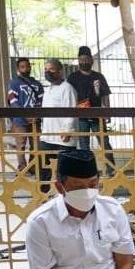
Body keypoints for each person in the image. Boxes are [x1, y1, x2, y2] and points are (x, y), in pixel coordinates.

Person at [67, 46, 115, 172]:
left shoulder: (99, 76)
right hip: (81, 116)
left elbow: (105, 95)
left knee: (104, 142)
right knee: (83, 145)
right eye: (81, 59)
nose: (84, 62)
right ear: (78, 60)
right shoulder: (72, 77)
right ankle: (87, 171)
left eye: (86, 59)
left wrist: (107, 112)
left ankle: (111, 170)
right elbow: (68, 96)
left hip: (98, 115)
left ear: (91, 60)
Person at [38, 59, 79, 192]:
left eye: (51, 69)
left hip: (63, 140)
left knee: (64, 174)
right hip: (47, 137)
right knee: (43, 172)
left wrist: (67, 131)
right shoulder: (48, 90)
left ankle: (67, 198)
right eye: (45, 69)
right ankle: (42, 197)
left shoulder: (67, 88)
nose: (47, 72)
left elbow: (72, 111)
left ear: (60, 72)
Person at [6, 57, 42, 172]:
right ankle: (22, 168)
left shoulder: (37, 84)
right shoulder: (14, 83)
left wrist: (37, 115)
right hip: (19, 120)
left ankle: (33, 167)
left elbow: (41, 101)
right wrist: (24, 115)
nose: (25, 69)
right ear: (18, 68)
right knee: (20, 145)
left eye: (27, 66)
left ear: (30, 67)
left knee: (35, 145)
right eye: (22, 67)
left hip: (35, 120)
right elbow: (13, 101)